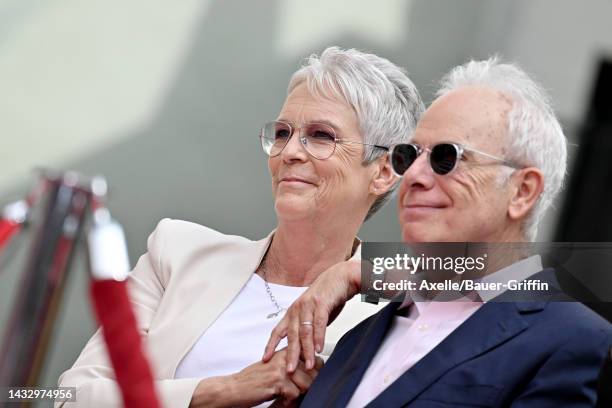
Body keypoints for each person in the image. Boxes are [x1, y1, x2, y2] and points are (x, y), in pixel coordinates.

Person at [57, 46, 424, 407]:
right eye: (282, 133)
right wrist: (224, 391)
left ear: (384, 171)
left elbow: (481, 275)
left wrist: (353, 274)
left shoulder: (396, 301)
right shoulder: (178, 252)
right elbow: (69, 396)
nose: (290, 152)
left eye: (321, 136)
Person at [265, 57, 612, 407]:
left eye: (447, 157)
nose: (413, 175)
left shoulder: (576, 342)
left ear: (522, 191)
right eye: (408, 156)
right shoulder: (357, 336)